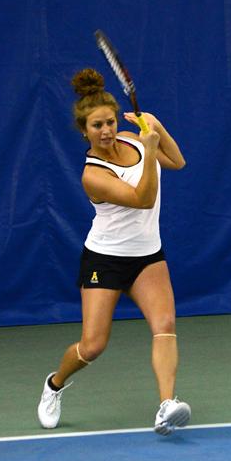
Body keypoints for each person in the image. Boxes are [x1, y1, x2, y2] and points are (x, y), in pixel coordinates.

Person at [37, 68, 190, 436]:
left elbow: (178, 161)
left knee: (165, 326)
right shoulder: (93, 175)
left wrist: (154, 126)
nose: (105, 131)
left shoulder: (133, 140)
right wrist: (150, 149)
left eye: (108, 122)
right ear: (84, 131)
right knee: (92, 346)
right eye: (96, 126)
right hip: (104, 260)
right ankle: (54, 385)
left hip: (147, 256)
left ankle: (166, 406)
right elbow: (143, 198)